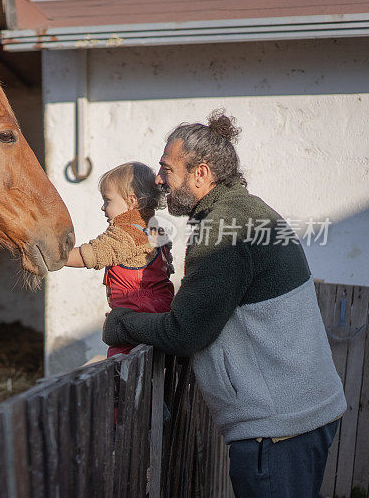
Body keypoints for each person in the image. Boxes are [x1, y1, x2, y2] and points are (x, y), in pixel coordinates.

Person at [102, 110, 346, 497]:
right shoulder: (248, 211)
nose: (160, 180)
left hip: (278, 431)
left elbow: (186, 333)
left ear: (201, 174)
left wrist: (121, 323)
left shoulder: (221, 231)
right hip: (305, 415)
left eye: (167, 169)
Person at [65, 161, 174, 358]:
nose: (102, 207)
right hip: (158, 315)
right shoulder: (154, 229)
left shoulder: (128, 233)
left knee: (123, 367)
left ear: (132, 202)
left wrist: (56, 257)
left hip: (137, 323)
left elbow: (91, 254)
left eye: (107, 200)